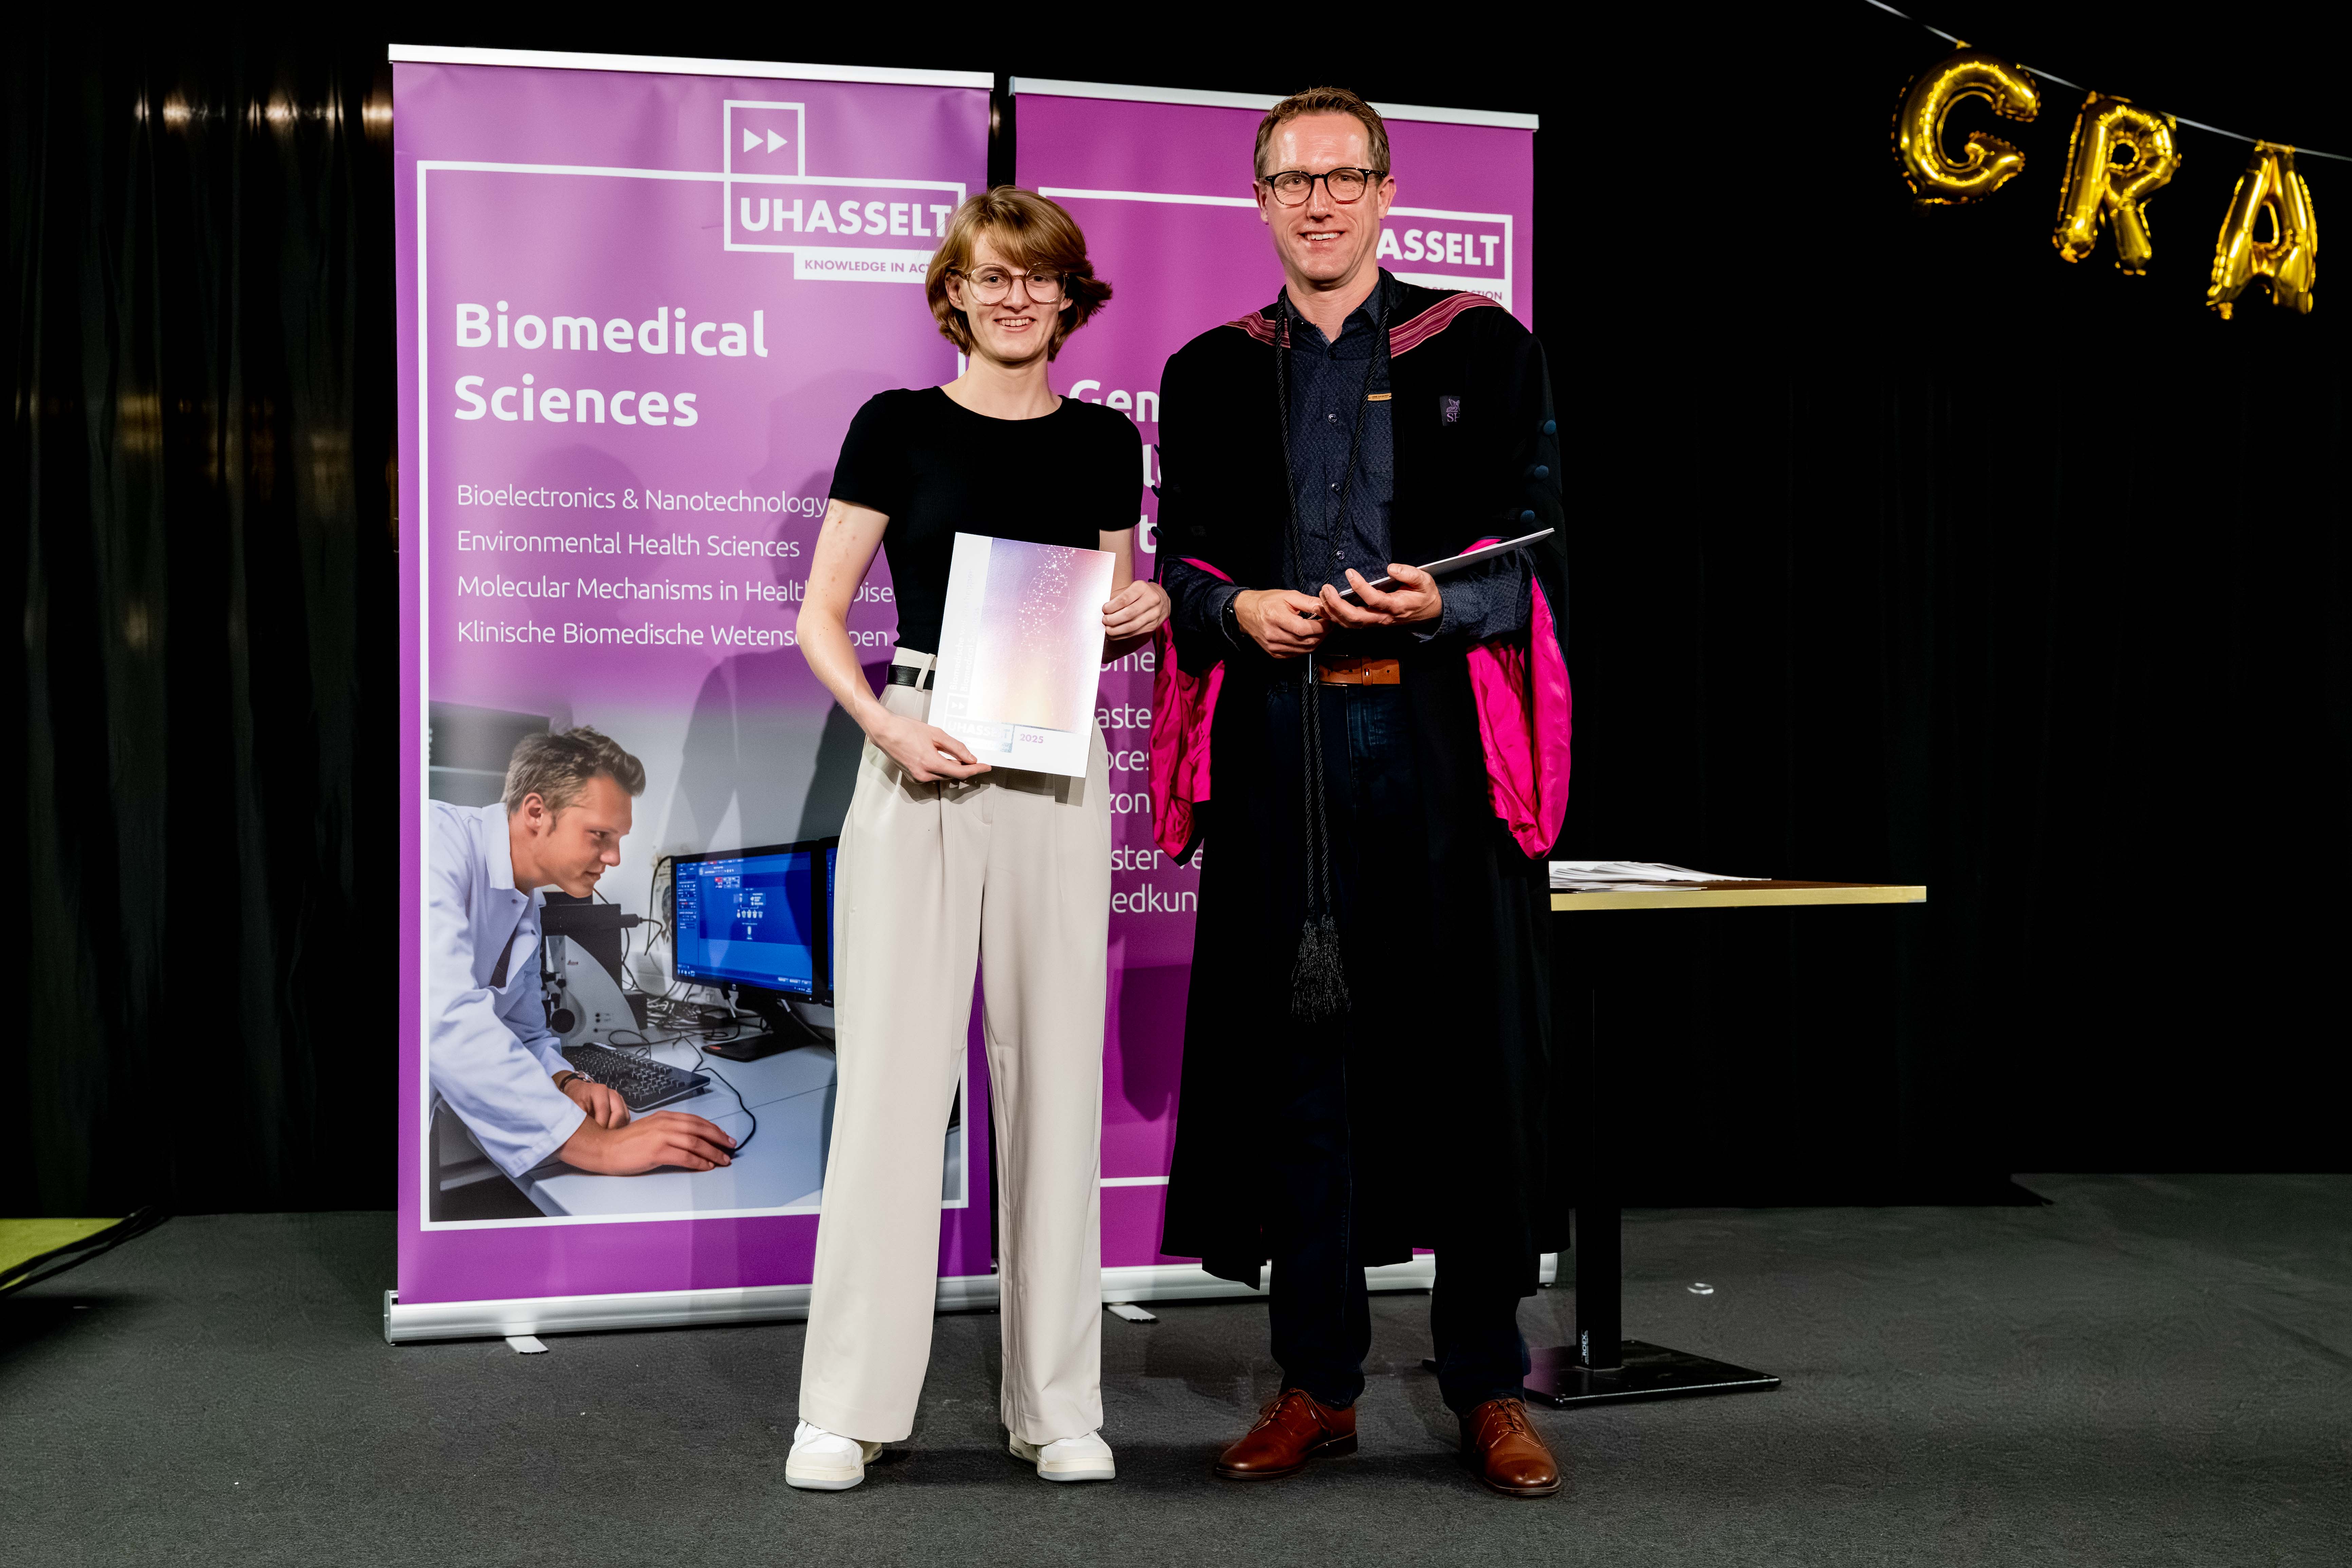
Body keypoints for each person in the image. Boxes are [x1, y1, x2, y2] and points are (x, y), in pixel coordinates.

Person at [1150, 87, 1573, 1498]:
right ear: (1260, 200)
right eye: (1293, 181)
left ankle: (1488, 1386)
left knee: (1469, 1067)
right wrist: (1236, 612)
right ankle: (1317, 1386)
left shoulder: (1484, 347)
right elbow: (1182, 565)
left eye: (1343, 179)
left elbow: (1539, 551)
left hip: (1442, 742)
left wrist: (1442, 601)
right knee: (1302, 1071)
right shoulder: (1211, 371)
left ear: (1387, 193)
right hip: (1284, 746)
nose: (1319, 203)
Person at [787, 187, 1169, 1492]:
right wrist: (884, 729)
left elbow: (1110, 606)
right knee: (893, 1085)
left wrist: (1142, 613)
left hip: (1055, 757)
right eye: (991, 278)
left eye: (1038, 278)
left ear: (1070, 298)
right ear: (954, 293)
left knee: (1055, 1081)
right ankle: (847, 1409)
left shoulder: (1106, 441)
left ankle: (1056, 1408)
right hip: (919, 741)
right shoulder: (896, 427)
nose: (1016, 298)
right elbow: (822, 613)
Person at [428, 728, 740, 1188]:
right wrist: (602, 1147)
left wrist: (568, 1083)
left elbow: (523, 1032)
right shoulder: (435, 841)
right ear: (536, 812)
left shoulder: (526, 900)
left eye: (619, 839)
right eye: (600, 835)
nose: (614, 857)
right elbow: (442, 1018)